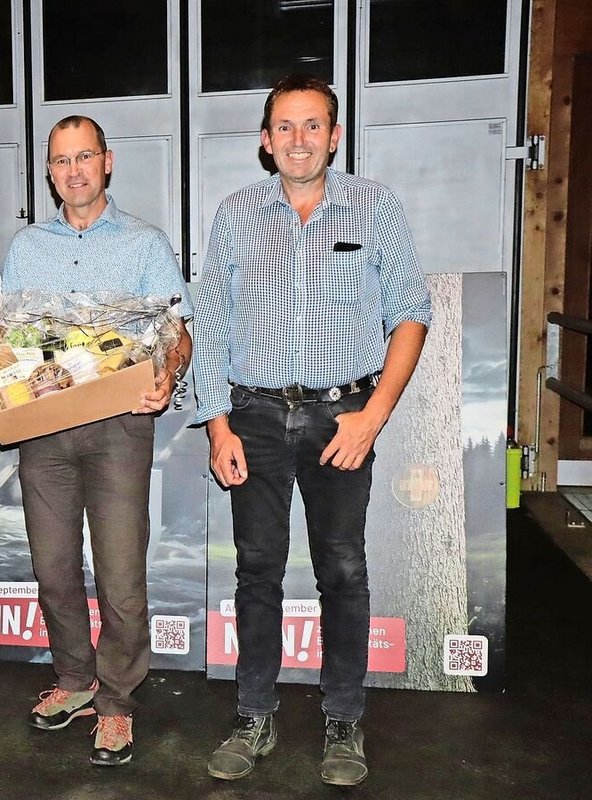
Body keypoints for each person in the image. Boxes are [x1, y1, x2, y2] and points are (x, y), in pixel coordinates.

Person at [192, 75, 432, 787]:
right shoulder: (235, 215)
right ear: (266, 143)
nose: (299, 139)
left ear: (334, 135)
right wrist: (217, 427)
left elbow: (410, 312)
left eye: (312, 125)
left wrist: (373, 415)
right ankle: (255, 715)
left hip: (341, 417)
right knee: (257, 570)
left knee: (344, 571)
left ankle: (343, 722)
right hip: (254, 418)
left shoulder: (376, 206)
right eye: (284, 128)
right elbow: (210, 326)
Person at [0, 116, 193, 767]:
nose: (74, 170)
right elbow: (11, 341)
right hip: (44, 430)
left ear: (107, 162)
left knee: (120, 576)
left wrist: (167, 376)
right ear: (50, 171)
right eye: (61, 160)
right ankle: (75, 680)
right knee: (52, 569)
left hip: (118, 428)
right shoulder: (26, 247)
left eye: (85, 157)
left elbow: (178, 329)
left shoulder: (144, 243)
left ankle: (116, 703)